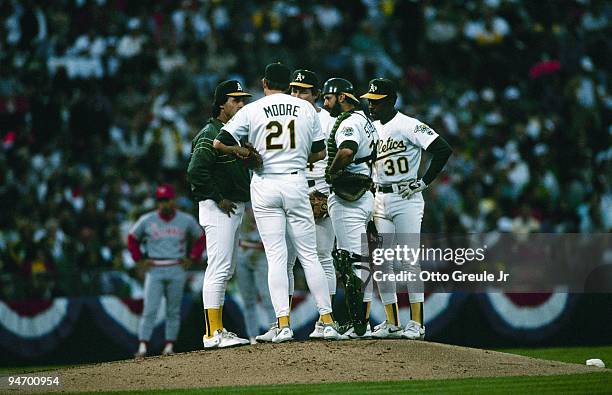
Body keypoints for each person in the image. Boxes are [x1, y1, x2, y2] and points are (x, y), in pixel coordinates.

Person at [213, 62, 344, 342]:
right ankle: (328, 320)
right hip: (296, 182)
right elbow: (320, 154)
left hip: (264, 182)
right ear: (289, 85)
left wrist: (242, 153)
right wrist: (296, 157)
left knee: (276, 257)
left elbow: (219, 142)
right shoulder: (307, 109)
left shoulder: (252, 109)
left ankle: (283, 324)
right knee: (310, 256)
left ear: (264, 83)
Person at [361, 78, 452, 340]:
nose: (371, 105)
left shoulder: (408, 125)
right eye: (369, 100)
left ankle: (417, 323)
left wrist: (423, 182)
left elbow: (442, 149)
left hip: (406, 197)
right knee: (382, 262)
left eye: (376, 101)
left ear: (391, 101)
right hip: (380, 197)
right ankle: (392, 322)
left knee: (408, 261)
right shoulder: (369, 128)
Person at [187, 80, 253, 349]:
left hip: (231, 207)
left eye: (242, 99)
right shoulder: (210, 132)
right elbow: (195, 172)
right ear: (221, 104)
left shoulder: (231, 133)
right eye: (235, 100)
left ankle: (218, 329)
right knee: (218, 268)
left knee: (226, 270)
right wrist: (218, 197)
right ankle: (212, 333)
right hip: (217, 208)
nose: (241, 104)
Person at [280, 69, 337, 340]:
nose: (297, 95)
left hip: (319, 189)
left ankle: (329, 320)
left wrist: (326, 194)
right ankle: (283, 322)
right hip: (292, 190)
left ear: (316, 95)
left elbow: (335, 159)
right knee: (287, 261)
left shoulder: (328, 120)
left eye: (303, 91)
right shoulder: (284, 117)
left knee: (323, 256)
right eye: (293, 90)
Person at [322, 77, 379, 339]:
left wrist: (330, 174)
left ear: (343, 97)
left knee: (350, 262)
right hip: (364, 192)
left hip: (350, 197)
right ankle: (361, 322)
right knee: (359, 262)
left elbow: (346, 151)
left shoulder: (349, 122)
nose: (325, 102)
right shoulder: (365, 120)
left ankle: (357, 326)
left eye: (328, 97)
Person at [128, 184, 205, 357]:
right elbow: (132, 238)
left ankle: (169, 345)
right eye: (161, 200)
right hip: (155, 267)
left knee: (173, 310)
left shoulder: (185, 220)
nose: (164, 203)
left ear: (173, 200)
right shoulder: (147, 220)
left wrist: (192, 257)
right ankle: (143, 346)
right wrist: (139, 259)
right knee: (150, 309)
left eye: (167, 199)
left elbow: (201, 237)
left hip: (176, 267)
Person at [235, 206, 276, 344]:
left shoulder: (264, 196)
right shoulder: (240, 197)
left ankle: (274, 330)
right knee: (248, 300)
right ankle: (252, 336)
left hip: (261, 253)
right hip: (242, 252)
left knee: (267, 296)